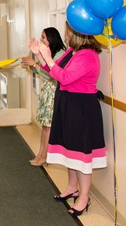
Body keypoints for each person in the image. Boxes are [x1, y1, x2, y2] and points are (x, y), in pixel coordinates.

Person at [36, 22, 106, 216]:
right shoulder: (73, 52)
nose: (65, 34)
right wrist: (41, 56)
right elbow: (55, 72)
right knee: (70, 151)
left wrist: (48, 58)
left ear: (77, 33)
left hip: (81, 108)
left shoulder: (88, 56)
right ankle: (72, 188)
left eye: (68, 30)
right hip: (67, 105)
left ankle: (84, 197)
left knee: (81, 155)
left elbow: (65, 78)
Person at [21, 27, 66, 167]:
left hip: (54, 93)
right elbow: (46, 70)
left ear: (52, 38)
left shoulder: (60, 55)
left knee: (48, 127)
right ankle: (40, 154)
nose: (41, 41)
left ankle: (44, 156)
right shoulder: (51, 53)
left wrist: (34, 64)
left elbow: (52, 75)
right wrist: (37, 59)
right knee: (45, 127)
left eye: (43, 38)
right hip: (48, 92)